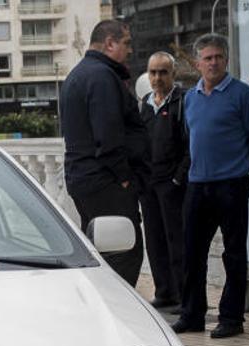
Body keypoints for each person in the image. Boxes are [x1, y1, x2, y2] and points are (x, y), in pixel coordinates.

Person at [171, 34, 249, 339]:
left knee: (234, 253)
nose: (213, 62)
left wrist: (240, 167)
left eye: (218, 57)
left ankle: (231, 318)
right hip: (197, 185)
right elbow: (190, 137)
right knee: (192, 253)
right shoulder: (190, 98)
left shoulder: (243, 95)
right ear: (197, 63)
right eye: (207, 58)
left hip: (232, 184)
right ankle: (192, 315)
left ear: (226, 60)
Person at [60, 19, 149, 285]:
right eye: (126, 43)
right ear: (110, 43)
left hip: (86, 180)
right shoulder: (101, 77)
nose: (129, 50)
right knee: (124, 253)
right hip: (107, 182)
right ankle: (119, 318)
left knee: (102, 253)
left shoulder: (77, 74)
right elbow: (108, 136)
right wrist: (125, 179)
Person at [139, 52, 191, 310]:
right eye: (153, 72)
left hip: (173, 185)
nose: (157, 78)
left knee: (177, 240)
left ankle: (183, 294)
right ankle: (164, 291)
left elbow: (190, 146)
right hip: (149, 186)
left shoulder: (183, 101)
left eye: (163, 72)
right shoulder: (145, 104)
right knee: (155, 240)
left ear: (173, 74)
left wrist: (177, 179)